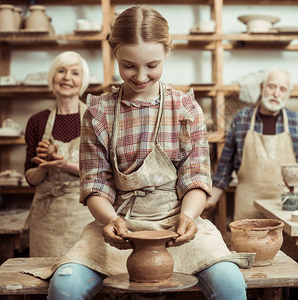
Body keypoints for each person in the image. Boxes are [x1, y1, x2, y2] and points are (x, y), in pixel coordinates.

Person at [32, 6, 253, 300]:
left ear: (166, 52)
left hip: (177, 223)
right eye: (128, 65)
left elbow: (196, 177)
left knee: (230, 284)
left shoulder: (185, 109)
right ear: (114, 55)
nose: (140, 76)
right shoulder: (99, 112)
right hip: (118, 223)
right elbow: (95, 184)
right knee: (65, 286)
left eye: (152, 65)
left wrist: (188, 216)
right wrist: (109, 220)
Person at [203, 69, 298, 220]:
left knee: (286, 243)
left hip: (286, 206)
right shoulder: (242, 119)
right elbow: (225, 167)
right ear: (262, 88)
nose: (276, 94)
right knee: (247, 242)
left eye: (282, 89)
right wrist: (211, 200)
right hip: (248, 203)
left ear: (287, 94)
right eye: (272, 87)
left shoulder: (297, 122)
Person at [24, 51, 94, 257]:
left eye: (75, 73)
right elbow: (30, 177)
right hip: (47, 217)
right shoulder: (37, 121)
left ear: (82, 81)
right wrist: (43, 166)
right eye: (61, 71)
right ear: (53, 77)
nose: (67, 78)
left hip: (84, 213)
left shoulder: (93, 118)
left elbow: (103, 174)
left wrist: (64, 165)